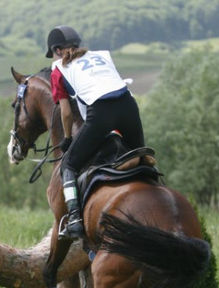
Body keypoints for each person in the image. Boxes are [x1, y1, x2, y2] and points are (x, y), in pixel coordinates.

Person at [46, 25, 145, 239]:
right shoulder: (101, 56)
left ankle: (73, 220)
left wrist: (68, 138)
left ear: (58, 50)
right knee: (141, 157)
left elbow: (66, 113)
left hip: (101, 113)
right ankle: (155, 190)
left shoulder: (58, 69)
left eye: (54, 53)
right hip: (129, 107)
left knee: (68, 165)